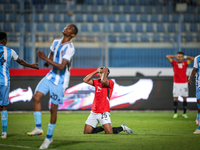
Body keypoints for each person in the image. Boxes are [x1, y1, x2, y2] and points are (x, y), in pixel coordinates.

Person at [27, 24, 78, 149]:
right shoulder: (56, 42)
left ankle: (49, 138)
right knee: (36, 97)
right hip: (50, 76)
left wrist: (45, 58)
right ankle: (38, 128)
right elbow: (51, 54)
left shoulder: (70, 48)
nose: (66, 28)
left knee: (53, 109)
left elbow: (61, 66)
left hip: (60, 81)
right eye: (66, 26)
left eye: (69, 28)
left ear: (72, 35)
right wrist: (46, 61)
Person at [0, 32, 39, 139]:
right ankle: (4, 132)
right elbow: (20, 61)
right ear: (4, 40)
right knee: (3, 107)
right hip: (4, 82)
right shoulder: (9, 51)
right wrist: (31, 66)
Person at [83, 67, 133, 134]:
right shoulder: (96, 82)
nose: (98, 74)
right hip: (94, 111)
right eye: (98, 73)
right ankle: (103, 127)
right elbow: (85, 80)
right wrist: (96, 71)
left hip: (103, 111)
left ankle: (122, 127)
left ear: (106, 74)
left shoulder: (110, 82)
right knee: (86, 132)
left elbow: (104, 81)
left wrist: (105, 72)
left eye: (101, 73)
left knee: (109, 133)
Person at [166, 52, 194, 118]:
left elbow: (192, 58)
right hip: (176, 83)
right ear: (177, 57)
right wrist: (175, 56)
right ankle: (175, 113)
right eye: (178, 56)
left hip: (184, 83)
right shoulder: (174, 63)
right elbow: (167, 56)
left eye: (181, 56)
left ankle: (184, 113)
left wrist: (185, 57)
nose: (180, 58)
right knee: (175, 98)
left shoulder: (185, 63)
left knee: (185, 97)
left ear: (183, 57)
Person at [188, 55, 200, 134]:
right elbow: (195, 69)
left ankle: (199, 128)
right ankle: (198, 116)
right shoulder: (197, 58)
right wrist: (191, 77)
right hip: (199, 84)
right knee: (199, 103)